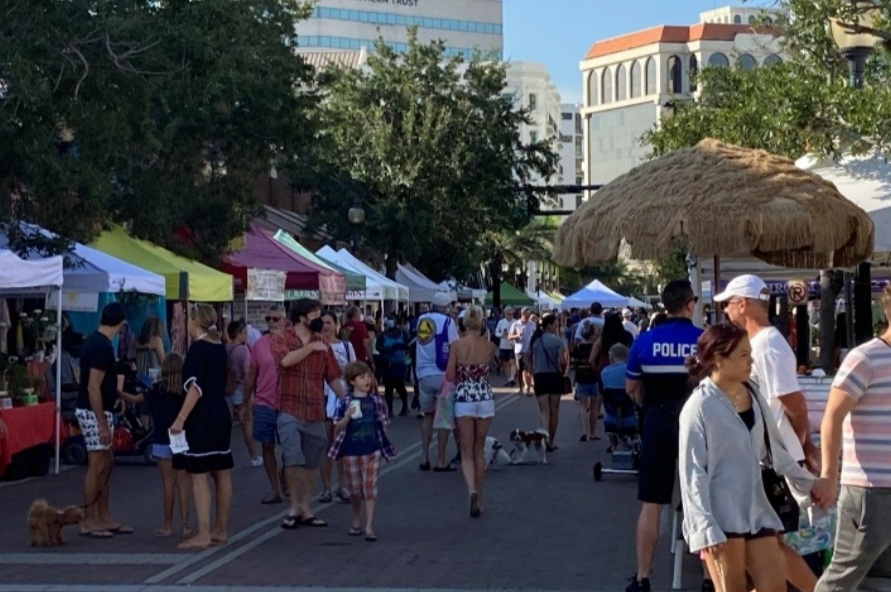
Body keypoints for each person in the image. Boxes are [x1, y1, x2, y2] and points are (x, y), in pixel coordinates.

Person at [680, 323, 826, 592]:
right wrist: (704, 525)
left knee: (774, 587)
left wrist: (810, 483)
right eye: (744, 355)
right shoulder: (698, 407)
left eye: (750, 353)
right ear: (718, 360)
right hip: (720, 517)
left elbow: (775, 452)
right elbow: (692, 473)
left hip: (757, 510)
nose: (752, 360)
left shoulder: (754, 394)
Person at [715, 274, 821, 591]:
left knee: (767, 544)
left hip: (771, 459)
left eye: (728, 305)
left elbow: (793, 402)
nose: (726, 312)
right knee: (761, 544)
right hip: (763, 456)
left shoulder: (768, 344)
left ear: (743, 304)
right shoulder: (763, 343)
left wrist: (802, 444)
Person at [624, 281, 707, 592]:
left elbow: (631, 389)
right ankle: (711, 578)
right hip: (697, 425)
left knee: (651, 502)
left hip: (657, 421)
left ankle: (643, 576)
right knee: (702, 498)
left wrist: (649, 408)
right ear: (689, 304)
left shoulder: (644, 342)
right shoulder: (704, 341)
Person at [815, 284, 891, 591]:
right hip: (869, 490)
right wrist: (829, 476)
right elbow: (831, 417)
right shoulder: (866, 358)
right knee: (842, 579)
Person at [271, 298, 346, 530]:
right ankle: (293, 508)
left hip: (315, 410)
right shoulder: (282, 338)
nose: (319, 319)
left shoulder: (323, 343)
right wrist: (310, 348)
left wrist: (348, 400)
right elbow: (285, 361)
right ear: (302, 317)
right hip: (289, 409)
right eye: (314, 314)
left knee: (312, 462)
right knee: (292, 458)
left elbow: (333, 376)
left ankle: (305, 508)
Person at [169, 303, 234, 550]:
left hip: (202, 415)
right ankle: (221, 527)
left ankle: (204, 532)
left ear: (195, 321)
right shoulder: (220, 347)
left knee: (198, 475)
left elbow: (195, 387)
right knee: (222, 471)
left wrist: (181, 418)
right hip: (221, 412)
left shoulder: (198, 349)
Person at [75, 302, 134, 539]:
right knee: (97, 464)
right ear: (121, 324)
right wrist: (101, 423)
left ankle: (103, 516)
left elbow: (100, 385)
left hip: (100, 409)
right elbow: (93, 387)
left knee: (106, 463)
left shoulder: (95, 342)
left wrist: (117, 397)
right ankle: (89, 519)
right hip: (93, 412)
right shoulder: (101, 347)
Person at [328, 361, 395, 541]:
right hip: (351, 452)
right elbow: (337, 429)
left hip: (372, 451)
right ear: (352, 382)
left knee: (370, 488)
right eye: (362, 377)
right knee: (355, 490)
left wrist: (383, 445)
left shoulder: (375, 401)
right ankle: (356, 518)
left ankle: (369, 526)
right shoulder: (345, 403)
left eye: (368, 376)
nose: (367, 380)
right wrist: (347, 417)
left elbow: (383, 424)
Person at [446, 306, 496, 517]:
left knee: (465, 451)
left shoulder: (456, 345)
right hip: (484, 398)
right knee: (479, 450)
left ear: (464, 323)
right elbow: (492, 369)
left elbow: (449, 376)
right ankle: (481, 499)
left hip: (464, 398)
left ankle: (471, 491)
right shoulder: (489, 346)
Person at [145, 353, 192, 539]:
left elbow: (137, 399)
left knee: (167, 485)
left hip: (162, 439)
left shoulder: (157, 390)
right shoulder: (185, 391)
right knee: (184, 484)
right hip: (181, 438)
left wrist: (119, 392)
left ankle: (167, 525)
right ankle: (186, 525)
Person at [245, 305, 287, 505]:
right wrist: (245, 403)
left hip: (287, 402)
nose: (271, 322)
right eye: (268, 318)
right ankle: (275, 489)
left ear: (284, 321)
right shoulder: (259, 344)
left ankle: (285, 472)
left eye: (275, 319)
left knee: (290, 446)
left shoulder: (293, 342)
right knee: (267, 446)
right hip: (264, 402)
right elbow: (251, 376)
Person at [415, 291, 459, 472]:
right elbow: (455, 346)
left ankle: (424, 456)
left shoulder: (421, 320)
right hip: (442, 374)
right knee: (443, 417)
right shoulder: (448, 322)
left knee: (427, 415)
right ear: (447, 306)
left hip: (422, 373)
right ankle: (440, 459)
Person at [319, 310, 354, 504]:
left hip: (343, 398)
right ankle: (326, 488)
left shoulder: (346, 347)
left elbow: (355, 371)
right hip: (322, 397)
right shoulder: (316, 346)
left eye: (329, 322)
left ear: (336, 325)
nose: (325, 326)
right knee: (326, 444)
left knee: (342, 444)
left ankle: (342, 486)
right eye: (322, 322)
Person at [527, 314, 568, 450]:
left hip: (540, 376)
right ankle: (550, 441)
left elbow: (526, 358)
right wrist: (563, 371)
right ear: (549, 325)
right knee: (554, 411)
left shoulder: (536, 340)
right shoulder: (558, 341)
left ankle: (543, 438)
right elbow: (562, 360)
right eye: (555, 324)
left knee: (544, 411)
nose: (557, 326)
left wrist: (532, 371)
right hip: (554, 376)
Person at [226, 320, 261, 468]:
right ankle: (253, 457)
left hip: (227, 389)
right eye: (244, 332)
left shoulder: (224, 348)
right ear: (238, 333)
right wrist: (250, 396)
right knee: (246, 423)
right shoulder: (243, 350)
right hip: (240, 389)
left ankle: (224, 453)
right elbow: (247, 373)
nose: (247, 335)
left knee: (226, 425)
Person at [599, 343, 636, 452]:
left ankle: (613, 443)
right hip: (630, 417)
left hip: (610, 418)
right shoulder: (630, 371)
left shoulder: (604, 372)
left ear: (611, 356)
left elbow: (602, 391)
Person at [572, 319, 600, 442]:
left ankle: (584, 430)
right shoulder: (596, 348)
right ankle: (593, 432)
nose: (597, 335)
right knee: (594, 406)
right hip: (593, 377)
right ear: (592, 335)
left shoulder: (577, 348)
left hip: (581, 377)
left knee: (583, 405)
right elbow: (596, 363)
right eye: (596, 334)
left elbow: (575, 363)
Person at [377, 318, 410, 417]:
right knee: (388, 387)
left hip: (400, 364)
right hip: (387, 365)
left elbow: (409, 344)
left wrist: (401, 346)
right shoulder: (383, 335)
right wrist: (389, 349)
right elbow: (378, 347)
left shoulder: (403, 333)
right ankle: (390, 409)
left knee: (400, 386)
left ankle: (405, 406)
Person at [509, 307, 536, 396]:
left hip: (529, 350)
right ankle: (521, 388)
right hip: (519, 350)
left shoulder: (532, 324)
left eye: (529, 314)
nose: (528, 316)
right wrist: (517, 335)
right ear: (522, 314)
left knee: (528, 369)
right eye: (527, 314)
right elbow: (509, 337)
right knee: (520, 370)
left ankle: (527, 389)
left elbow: (535, 335)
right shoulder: (515, 324)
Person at [495, 307, 517, 386]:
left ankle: (512, 378)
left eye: (512, 314)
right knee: (505, 363)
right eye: (509, 314)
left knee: (512, 361)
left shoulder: (516, 322)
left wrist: (513, 336)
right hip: (503, 345)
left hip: (513, 345)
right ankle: (509, 378)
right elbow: (496, 332)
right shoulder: (501, 322)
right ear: (505, 314)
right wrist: (501, 335)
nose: (510, 316)